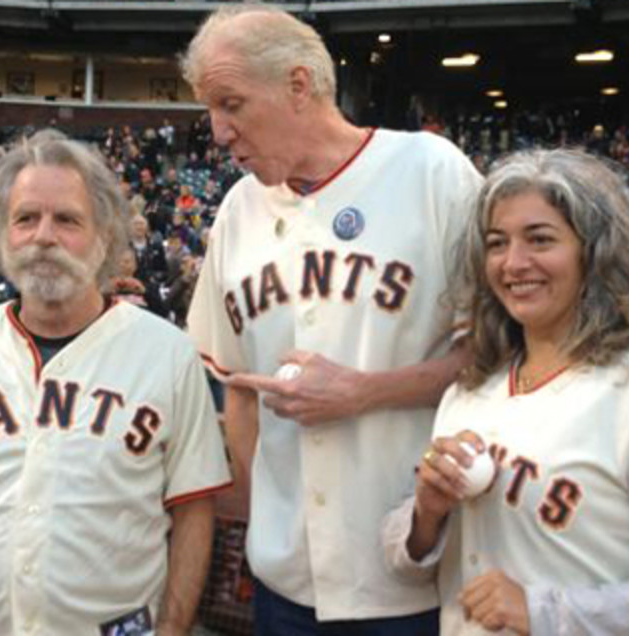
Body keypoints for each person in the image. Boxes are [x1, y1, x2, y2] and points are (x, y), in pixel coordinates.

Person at [183, 5, 482, 632]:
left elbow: (496, 355)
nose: (217, 130)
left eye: (231, 103)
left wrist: (364, 392)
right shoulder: (237, 211)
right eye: (211, 109)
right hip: (283, 577)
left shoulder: (432, 170)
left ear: (299, 85)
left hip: (413, 570)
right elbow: (237, 386)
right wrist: (260, 514)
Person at [385, 150, 629, 635]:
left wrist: (544, 611)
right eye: (497, 243)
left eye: (540, 239)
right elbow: (406, 558)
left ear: (595, 251)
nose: (514, 263)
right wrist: (426, 515)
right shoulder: (473, 388)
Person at [0, 130, 230, 635]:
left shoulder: (168, 353)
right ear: (4, 235)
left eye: (67, 219)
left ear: (105, 236)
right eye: (26, 218)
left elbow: (195, 513)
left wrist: (172, 630)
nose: (44, 235)